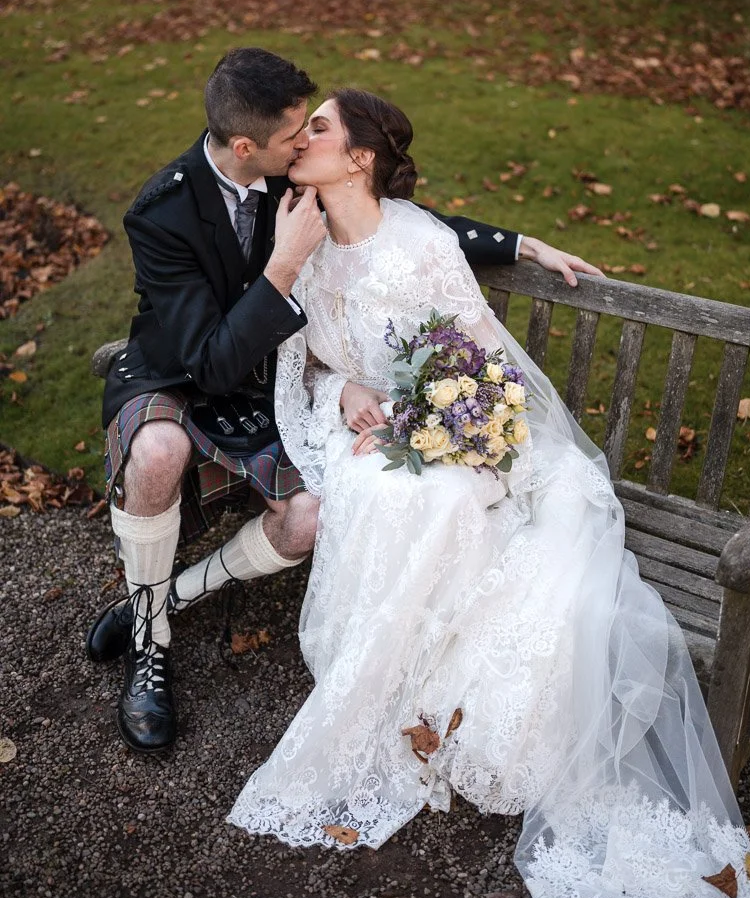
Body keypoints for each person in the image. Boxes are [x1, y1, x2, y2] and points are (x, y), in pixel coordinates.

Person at [226, 89, 750, 898]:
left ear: (361, 158)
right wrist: (350, 392)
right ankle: (386, 686)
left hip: (469, 435)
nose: (302, 139)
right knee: (377, 490)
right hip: (381, 435)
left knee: (433, 496)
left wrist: (448, 428)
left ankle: (415, 692)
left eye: (320, 129)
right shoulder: (299, 237)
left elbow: (484, 369)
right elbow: (304, 373)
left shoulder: (421, 246)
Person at [86, 47, 603, 755]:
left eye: (312, 128)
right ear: (248, 147)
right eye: (294, 134)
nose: (303, 142)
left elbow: (398, 222)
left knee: (305, 521)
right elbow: (206, 361)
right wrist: (285, 266)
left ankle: (157, 600)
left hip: (265, 382)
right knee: (158, 449)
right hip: (180, 371)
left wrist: (520, 242)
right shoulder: (163, 211)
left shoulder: (290, 179)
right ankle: (152, 646)